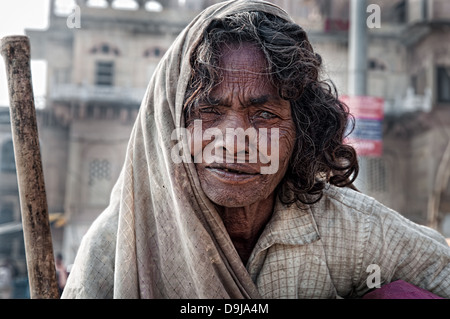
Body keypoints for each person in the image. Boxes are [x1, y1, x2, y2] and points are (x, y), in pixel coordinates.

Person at [62, 0, 450, 299]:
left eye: (264, 114)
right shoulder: (118, 245)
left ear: (302, 128)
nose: (235, 139)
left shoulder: (352, 231)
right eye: (209, 111)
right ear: (171, 127)